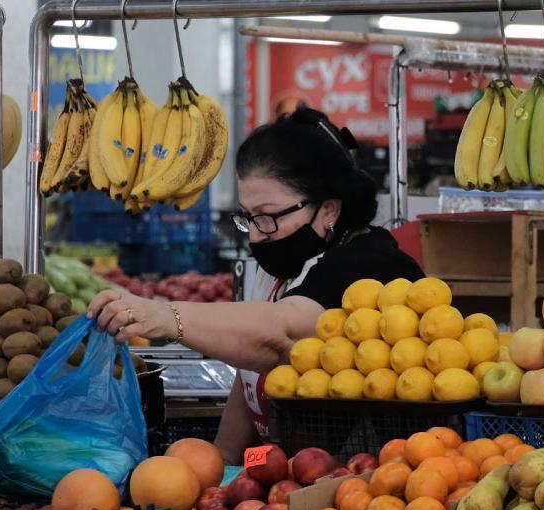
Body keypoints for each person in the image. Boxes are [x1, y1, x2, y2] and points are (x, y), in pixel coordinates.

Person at [87, 108, 424, 464]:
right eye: (248, 218)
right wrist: (224, 463)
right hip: (290, 481)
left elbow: (280, 336)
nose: (258, 234)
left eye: (267, 216)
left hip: (372, 484)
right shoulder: (286, 265)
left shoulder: (369, 267)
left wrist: (165, 316)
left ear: (328, 210)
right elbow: (250, 368)